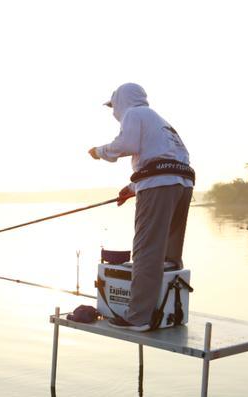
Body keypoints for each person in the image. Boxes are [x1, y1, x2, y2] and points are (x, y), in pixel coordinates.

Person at [88, 82, 194, 331]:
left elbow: (127, 144)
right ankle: (165, 285)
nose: (114, 111)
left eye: (114, 105)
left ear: (122, 101)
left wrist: (100, 151)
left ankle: (138, 317)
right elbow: (164, 158)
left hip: (160, 184)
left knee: (146, 249)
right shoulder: (160, 121)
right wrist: (133, 188)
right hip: (183, 182)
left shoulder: (133, 114)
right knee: (167, 254)